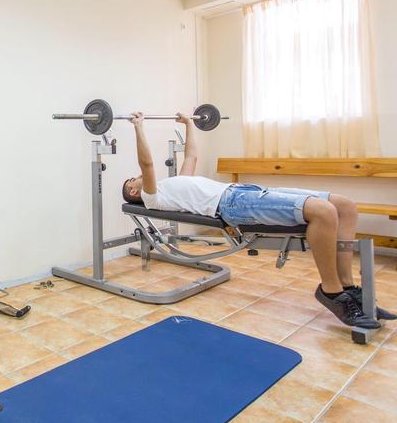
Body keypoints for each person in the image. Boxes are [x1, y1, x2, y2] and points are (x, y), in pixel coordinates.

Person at [122, 111, 395, 329]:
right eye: (132, 180)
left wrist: (189, 124)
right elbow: (147, 165)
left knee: (345, 207)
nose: (137, 176)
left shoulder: (177, 182)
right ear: (134, 190)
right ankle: (331, 291)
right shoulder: (151, 197)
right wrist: (138, 127)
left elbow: (192, 155)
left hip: (246, 191)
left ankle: (348, 287)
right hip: (232, 204)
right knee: (323, 212)